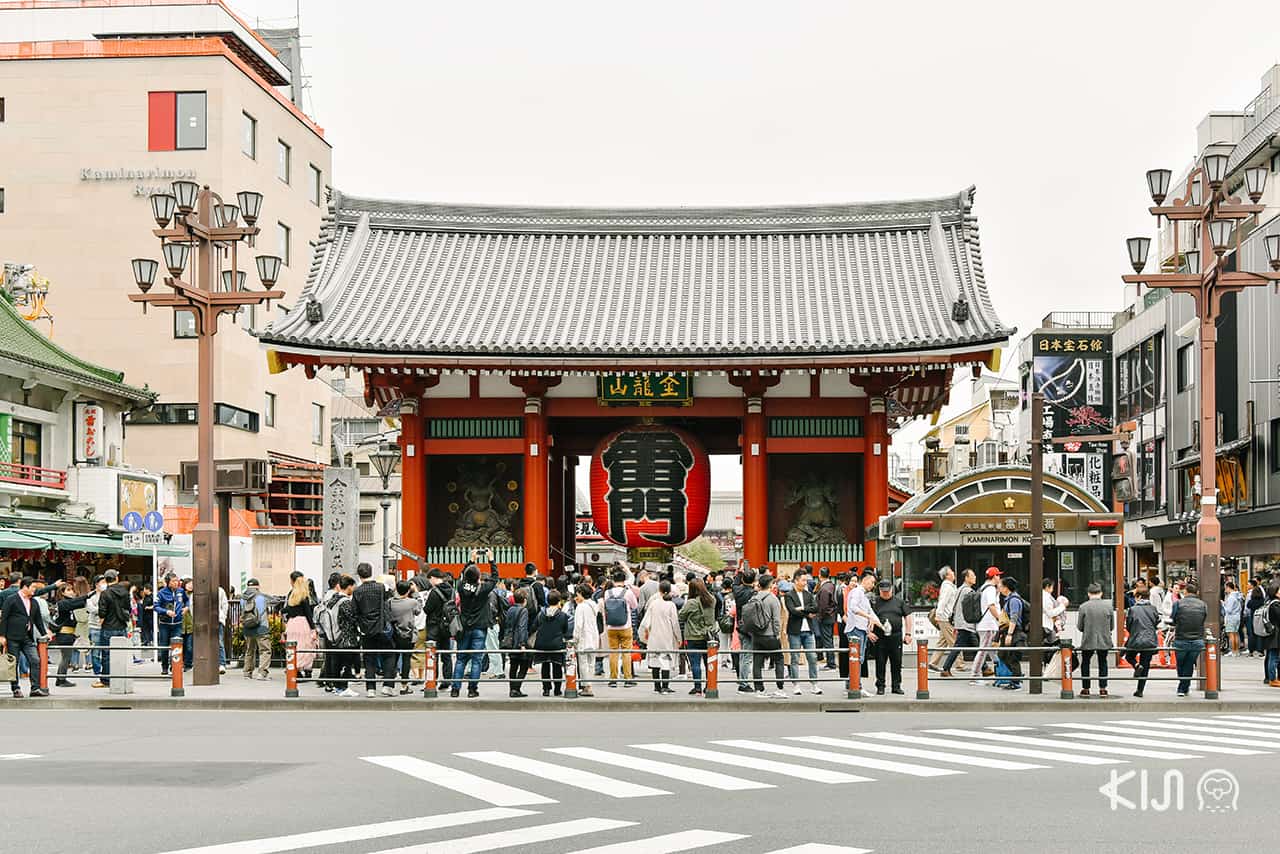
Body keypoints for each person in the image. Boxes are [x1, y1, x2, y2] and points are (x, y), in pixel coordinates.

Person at [452, 552, 500, 698]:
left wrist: (470, 561)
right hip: (480, 627)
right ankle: (472, 689)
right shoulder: (483, 589)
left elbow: (461, 575)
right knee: (476, 660)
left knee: (461, 659)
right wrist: (491, 560)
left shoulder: (461, 586)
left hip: (464, 627)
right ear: (479, 577)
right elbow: (495, 577)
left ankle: (455, 689)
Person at [2, 577, 51, 697]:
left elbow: (38, 620)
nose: (35, 590)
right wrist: (2, 635)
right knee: (14, 663)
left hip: (27, 637)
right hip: (12, 636)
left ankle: (35, 688)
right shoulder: (11, 599)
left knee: (35, 660)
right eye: (33, 587)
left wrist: (45, 633)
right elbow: (4, 618)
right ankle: (16, 688)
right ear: (25, 587)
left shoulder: (34, 602)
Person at [745, 574, 785, 698]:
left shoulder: (754, 598)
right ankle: (780, 688)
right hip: (770, 635)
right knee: (779, 660)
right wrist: (777, 634)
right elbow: (776, 620)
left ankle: (759, 689)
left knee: (757, 662)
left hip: (757, 634)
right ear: (770, 585)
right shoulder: (773, 599)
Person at [639, 580, 682, 694]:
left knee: (655, 662)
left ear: (659, 590)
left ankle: (657, 687)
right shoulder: (671, 605)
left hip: (654, 636)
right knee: (665, 661)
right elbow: (675, 624)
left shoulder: (653, 603)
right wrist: (679, 638)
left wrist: (644, 635)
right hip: (666, 637)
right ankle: (665, 687)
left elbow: (645, 622)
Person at [782, 569, 821, 695]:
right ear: (796, 581)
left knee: (812, 657)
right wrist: (807, 613)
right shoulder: (789, 595)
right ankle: (796, 684)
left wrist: (803, 608)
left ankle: (814, 683)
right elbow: (793, 611)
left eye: (806, 580)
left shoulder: (808, 594)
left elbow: (815, 608)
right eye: (803, 580)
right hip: (794, 630)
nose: (805, 583)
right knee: (795, 658)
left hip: (808, 630)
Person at [869, 578, 908, 695]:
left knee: (897, 662)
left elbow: (908, 616)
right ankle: (880, 686)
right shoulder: (874, 602)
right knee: (880, 662)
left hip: (896, 636)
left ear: (891, 589)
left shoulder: (899, 602)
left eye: (887, 591)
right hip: (879, 637)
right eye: (883, 591)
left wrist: (908, 634)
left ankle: (896, 686)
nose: (885, 593)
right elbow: (867, 616)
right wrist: (869, 632)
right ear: (879, 590)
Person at [677, 576, 715, 695]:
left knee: (695, 663)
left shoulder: (691, 603)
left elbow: (681, 616)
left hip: (693, 636)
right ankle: (709, 685)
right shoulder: (712, 600)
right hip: (708, 636)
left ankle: (697, 687)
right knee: (708, 662)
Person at [602, 570, 639, 687]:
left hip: (611, 627)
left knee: (613, 652)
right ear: (624, 581)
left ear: (613, 581)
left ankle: (613, 680)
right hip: (625, 626)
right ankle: (628, 679)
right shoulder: (628, 593)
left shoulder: (607, 593)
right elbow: (635, 606)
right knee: (626, 653)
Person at [1170, 579, 1207, 697]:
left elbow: (1173, 619)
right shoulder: (1203, 604)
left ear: (1185, 592)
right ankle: (1184, 687)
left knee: (1181, 664)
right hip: (1197, 639)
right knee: (1189, 663)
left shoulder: (1178, 604)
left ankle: (1182, 687)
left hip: (1181, 638)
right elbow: (1203, 619)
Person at [1076, 583, 1114, 697]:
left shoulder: (1083, 607)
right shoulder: (1108, 606)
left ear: (1089, 594)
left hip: (1088, 638)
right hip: (1104, 639)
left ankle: (1086, 688)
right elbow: (1112, 626)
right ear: (1101, 593)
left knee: (1085, 663)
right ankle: (1103, 688)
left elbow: (1080, 626)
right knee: (1103, 662)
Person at [844, 570, 883, 681]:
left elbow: (871, 613)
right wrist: (868, 617)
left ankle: (853, 683)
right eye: (872, 582)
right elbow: (853, 608)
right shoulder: (857, 592)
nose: (873, 585)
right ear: (865, 580)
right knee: (857, 657)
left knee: (858, 658)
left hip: (860, 629)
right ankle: (855, 684)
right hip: (856, 628)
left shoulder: (863, 595)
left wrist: (882, 627)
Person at [97, 569, 132, 688]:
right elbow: (128, 609)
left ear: (106, 580)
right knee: (121, 654)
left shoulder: (105, 593)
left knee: (106, 654)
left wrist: (100, 623)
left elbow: (102, 613)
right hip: (122, 626)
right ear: (116, 578)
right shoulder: (125, 592)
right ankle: (121, 677)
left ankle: (106, 680)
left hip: (108, 627)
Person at [52, 578, 91, 687]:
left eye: (72, 590)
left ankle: (61, 678)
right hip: (64, 633)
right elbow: (76, 603)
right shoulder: (62, 603)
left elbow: (78, 603)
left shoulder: (66, 603)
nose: (72, 592)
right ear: (62, 593)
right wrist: (88, 595)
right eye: (68, 590)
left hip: (68, 633)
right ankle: (61, 679)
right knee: (66, 657)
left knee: (66, 657)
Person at [532, 590, 571, 696]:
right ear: (559, 601)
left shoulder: (541, 614)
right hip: (556, 644)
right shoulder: (562, 615)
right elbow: (565, 630)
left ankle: (546, 689)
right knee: (557, 666)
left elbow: (534, 627)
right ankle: (557, 689)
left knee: (545, 666)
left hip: (542, 644)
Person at [941, 569, 978, 677]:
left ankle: (985, 668)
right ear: (966, 578)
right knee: (959, 647)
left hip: (961, 623)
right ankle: (945, 669)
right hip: (966, 624)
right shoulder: (968, 591)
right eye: (973, 575)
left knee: (975, 647)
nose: (975, 577)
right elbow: (970, 609)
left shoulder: (959, 589)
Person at [1123, 587, 1160, 697]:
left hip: (1136, 639)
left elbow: (1129, 625)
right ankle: (1140, 690)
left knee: (1129, 656)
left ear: (1138, 597)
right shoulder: (1153, 609)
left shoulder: (1133, 609)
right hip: (1150, 640)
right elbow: (1156, 622)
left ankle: (1136, 665)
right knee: (1146, 665)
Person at [283, 574, 318, 681]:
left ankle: (295, 670)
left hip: (292, 624)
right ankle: (306, 669)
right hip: (303, 624)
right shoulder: (304, 596)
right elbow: (308, 614)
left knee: (293, 647)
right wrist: (313, 628)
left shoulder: (291, 595)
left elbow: (286, 610)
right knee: (305, 646)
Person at [971, 567, 1002, 679]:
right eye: (998, 575)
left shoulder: (984, 587)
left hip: (984, 624)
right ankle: (975, 675)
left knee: (993, 651)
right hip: (988, 624)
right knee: (983, 651)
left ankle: (1001, 671)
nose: (1000, 578)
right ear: (994, 576)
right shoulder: (990, 589)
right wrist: (999, 618)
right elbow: (991, 606)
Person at [996, 576, 1026, 691]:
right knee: (1003, 655)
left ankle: (1016, 681)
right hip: (1008, 631)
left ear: (1006, 588)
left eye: (1000, 585)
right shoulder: (1009, 599)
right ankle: (1016, 677)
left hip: (1014, 631)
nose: (999, 587)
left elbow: (1014, 617)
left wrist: (1009, 634)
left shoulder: (1014, 600)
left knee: (1012, 657)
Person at [154, 573, 188, 676]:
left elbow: (186, 600)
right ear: (168, 582)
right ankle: (164, 667)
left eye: (177, 580)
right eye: (173, 581)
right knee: (164, 646)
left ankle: (174, 666)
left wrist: (186, 608)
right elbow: (156, 606)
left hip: (177, 623)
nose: (176, 583)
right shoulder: (161, 593)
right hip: (165, 624)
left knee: (177, 645)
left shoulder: (181, 591)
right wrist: (166, 611)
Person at [238, 578, 271, 680]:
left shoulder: (242, 598)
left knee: (249, 650)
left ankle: (247, 673)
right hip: (262, 627)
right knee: (265, 650)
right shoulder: (262, 597)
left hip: (248, 626)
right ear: (258, 586)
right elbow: (274, 602)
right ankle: (262, 673)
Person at [503, 588, 532, 697]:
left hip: (511, 642)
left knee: (513, 666)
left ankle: (512, 689)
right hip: (519, 641)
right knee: (524, 666)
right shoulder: (524, 611)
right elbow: (522, 627)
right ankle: (516, 688)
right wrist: (523, 643)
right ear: (525, 600)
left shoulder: (510, 609)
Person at [572, 583, 600, 697]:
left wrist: (575, 639)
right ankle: (590, 686)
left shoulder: (581, 607)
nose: (576, 596)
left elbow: (578, 626)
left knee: (583, 664)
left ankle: (586, 687)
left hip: (584, 638)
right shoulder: (594, 605)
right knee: (591, 664)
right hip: (593, 638)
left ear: (581, 593)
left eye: (577, 594)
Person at [815, 567, 838, 669]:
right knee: (829, 640)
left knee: (827, 641)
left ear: (820, 575)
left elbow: (823, 606)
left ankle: (831, 663)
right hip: (831, 616)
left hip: (826, 617)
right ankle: (831, 662)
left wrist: (819, 617)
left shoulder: (824, 588)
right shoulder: (832, 585)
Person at [1263, 582, 1280, 688]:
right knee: (1274, 656)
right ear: (1275, 593)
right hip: (1276, 634)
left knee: (1271, 656)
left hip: (1272, 633)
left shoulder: (1269, 603)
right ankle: (1272, 679)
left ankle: (1270, 678)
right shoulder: (1275, 604)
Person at [1222, 581, 1243, 657]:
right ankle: (1236, 651)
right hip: (1237, 616)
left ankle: (1233, 651)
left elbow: (1229, 610)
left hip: (1231, 617)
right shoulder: (1238, 596)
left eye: (1226, 588)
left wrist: (1223, 604)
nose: (1225, 590)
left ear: (1228, 587)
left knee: (1231, 634)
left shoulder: (1231, 597)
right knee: (1236, 634)